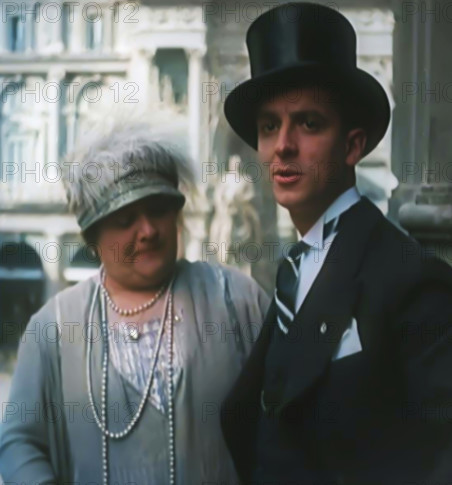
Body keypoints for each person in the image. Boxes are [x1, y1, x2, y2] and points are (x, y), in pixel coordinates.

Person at [220, 3, 452, 484]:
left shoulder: (408, 276)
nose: (282, 145)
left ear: (352, 145)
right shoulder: (292, 272)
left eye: (308, 124)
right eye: (268, 127)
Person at [0, 119, 269, 484]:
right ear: (94, 238)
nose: (148, 231)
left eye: (158, 210)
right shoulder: (54, 326)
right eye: (126, 219)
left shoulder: (237, 299)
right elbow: (19, 442)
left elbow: (286, 422)